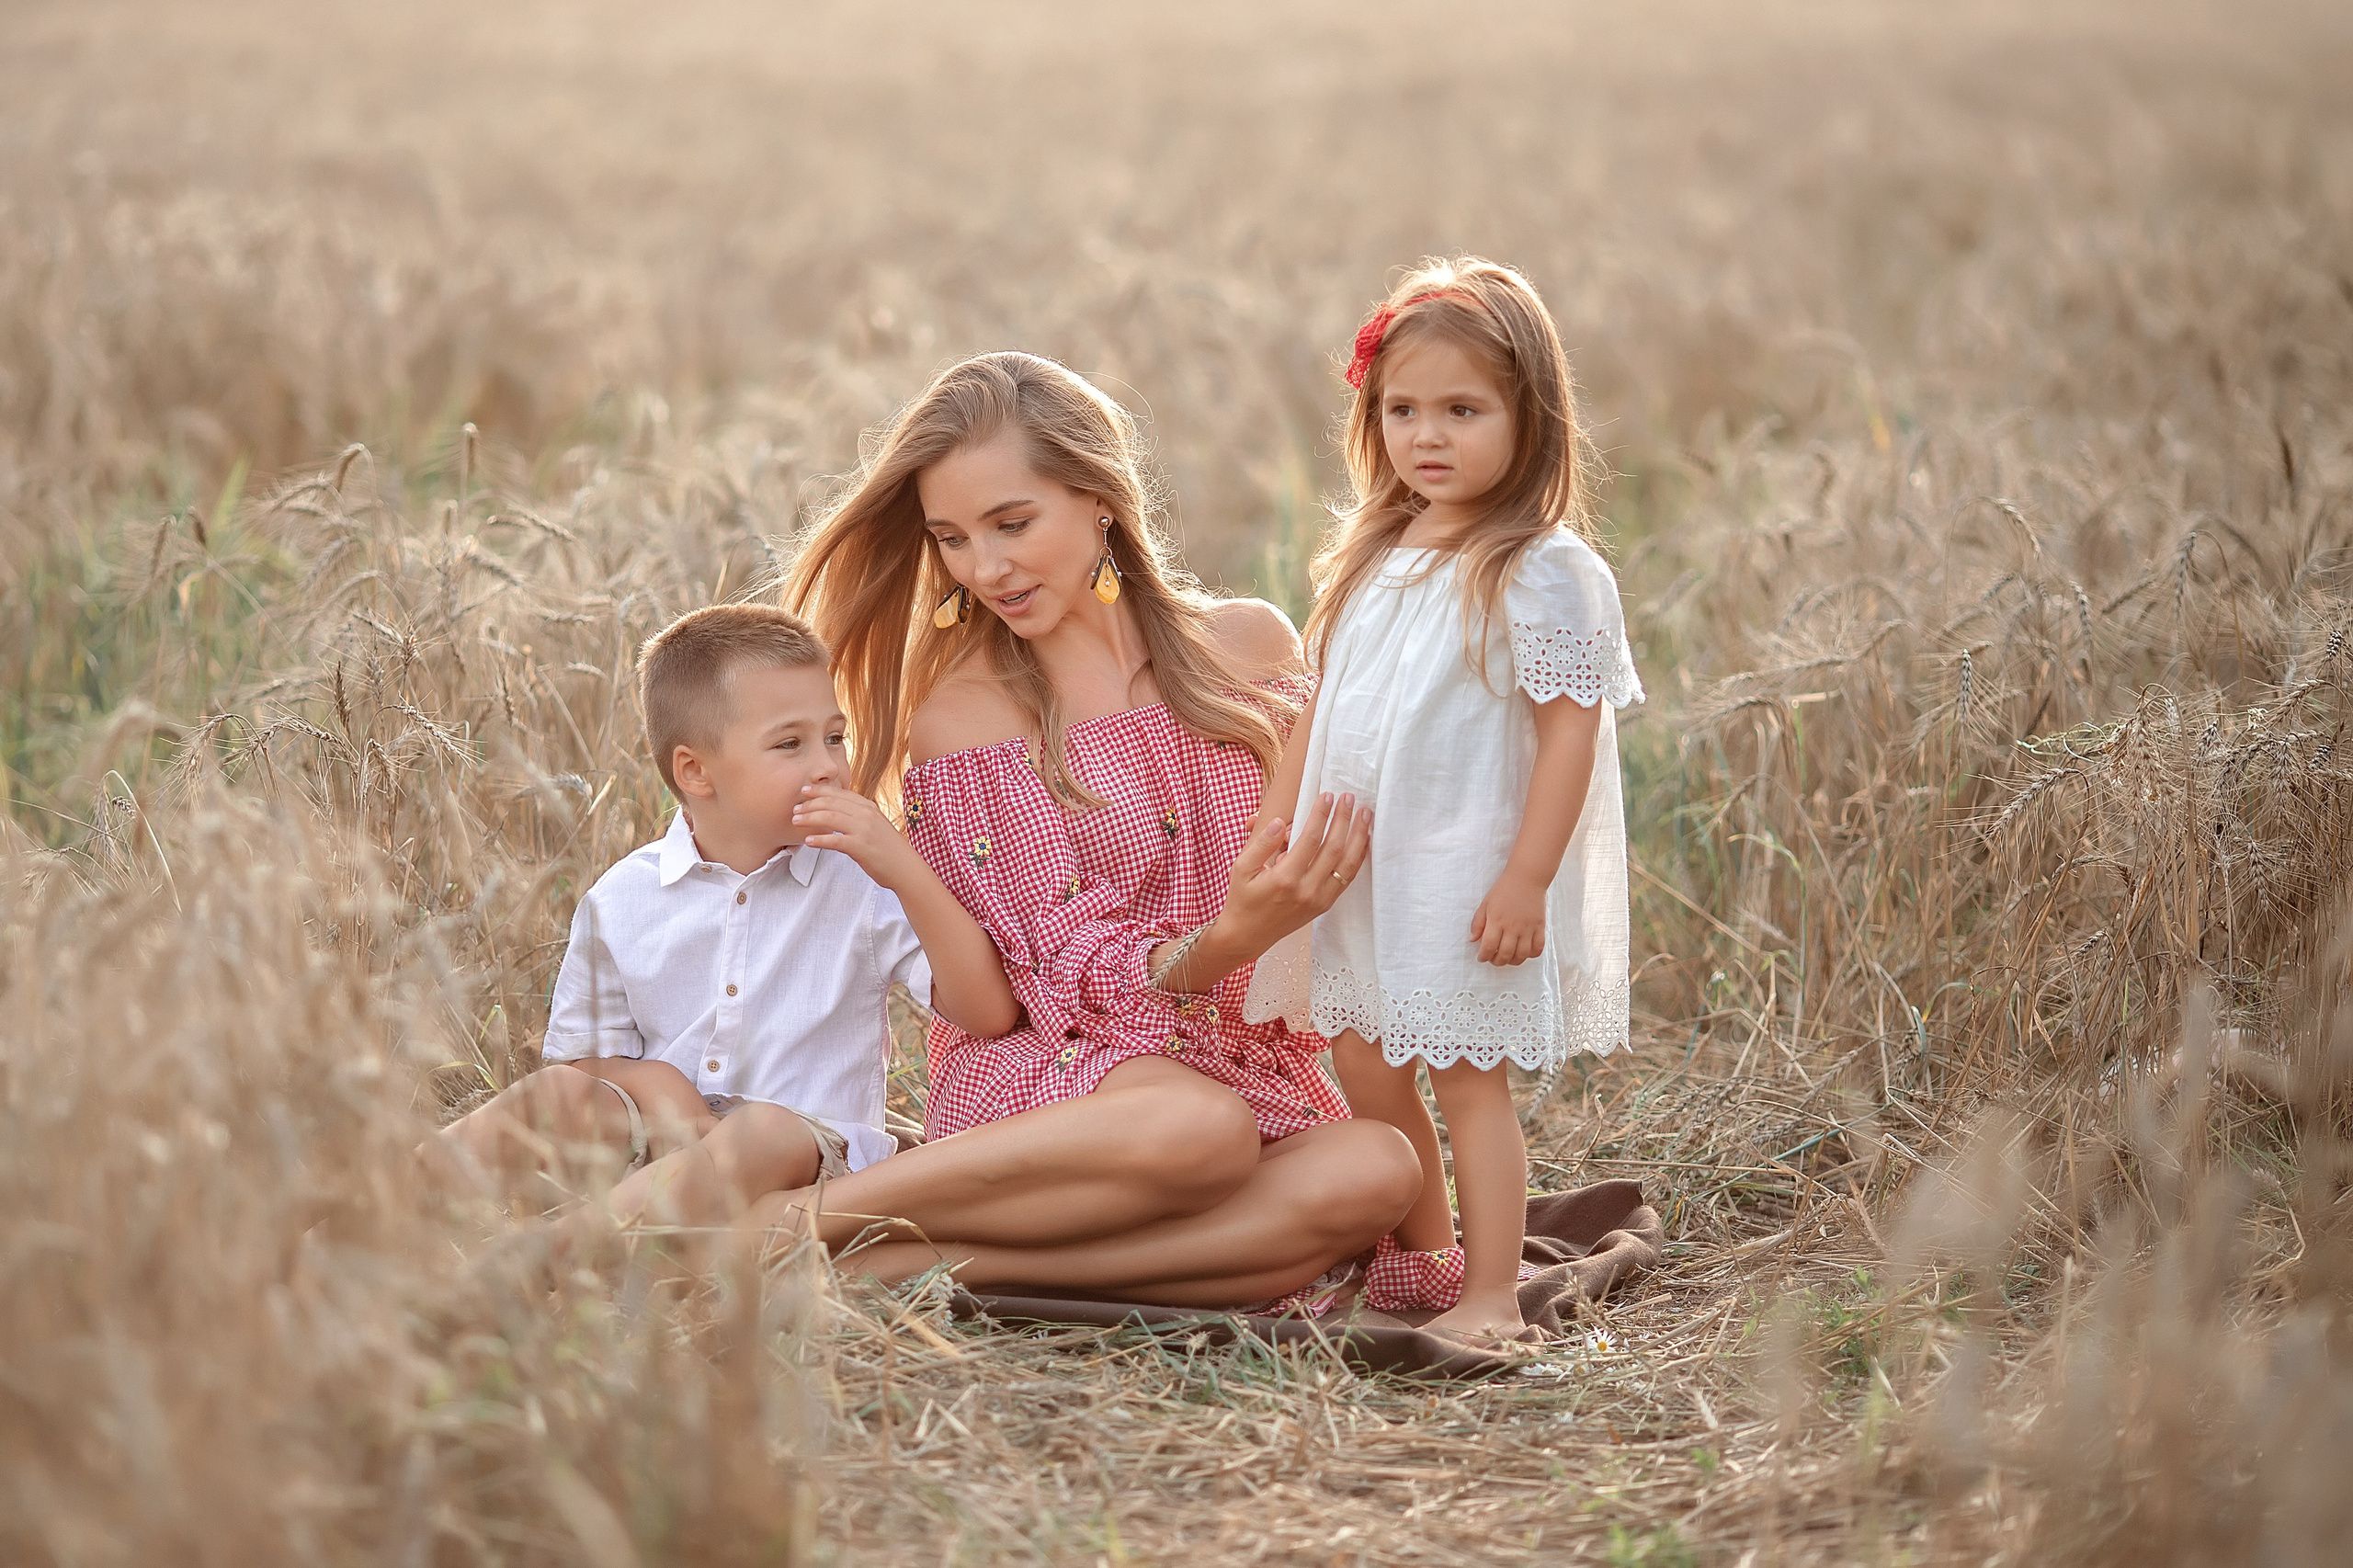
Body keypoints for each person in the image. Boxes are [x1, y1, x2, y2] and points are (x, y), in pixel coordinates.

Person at [746, 350, 1423, 1310]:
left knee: (1376, 1168)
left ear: (1097, 498)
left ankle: (910, 1270)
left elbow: (1341, 844)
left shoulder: (1252, 648)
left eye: (1012, 523)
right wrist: (1235, 935)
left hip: (1241, 1064)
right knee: (1200, 1131)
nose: (986, 568)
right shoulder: (967, 714)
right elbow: (1063, 977)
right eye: (952, 538)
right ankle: (801, 1223)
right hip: (1066, 1078)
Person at [1245, 257, 1643, 1344]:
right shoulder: (1376, 550)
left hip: (1466, 865)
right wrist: (1273, 824)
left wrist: (1527, 876)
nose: (1428, 435)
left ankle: (1488, 1295)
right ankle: (1423, 1259)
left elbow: (1571, 730)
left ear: (1532, 417)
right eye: (1402, 410)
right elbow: (1317, 708)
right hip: (1359, 863)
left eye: (1462, 410)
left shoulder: (1542, 568)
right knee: (1365, 1057)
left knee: (1471, 1079)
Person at [436, 603, 1019, 1237]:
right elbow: (580, 1067)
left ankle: (548, 1257)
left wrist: (904, 869)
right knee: (552, 1098)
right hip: (664, 1154)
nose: (827, 764)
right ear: (695, 771)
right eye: (789, 744)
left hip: (808, 1164)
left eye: (834, 737)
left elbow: (987, 1013)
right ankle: (362, 1223)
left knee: (760, 1131)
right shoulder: (623, 899)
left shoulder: (863, 880)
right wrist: (656, 1084)